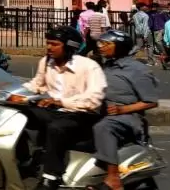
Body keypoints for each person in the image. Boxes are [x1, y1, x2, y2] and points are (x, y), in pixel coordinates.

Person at [19, 25, 106, 190]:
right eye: (48, 43)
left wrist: (61, 102)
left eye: (54, 44)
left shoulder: (88, 66)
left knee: (56, 128)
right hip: (55, 112)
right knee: (19, 115)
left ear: (69, 47)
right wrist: (14, 92)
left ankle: (51, 176)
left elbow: (95, 100)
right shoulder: (46, 62)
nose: (49, 47)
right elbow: (36, 85)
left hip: (83, 115)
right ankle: (24, 160)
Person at [94, 29, 159, 190]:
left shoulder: (137, 69)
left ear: (120, 47)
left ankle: (113, 177)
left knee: (103, 127)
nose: (101, 46)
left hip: (129, 117)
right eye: (100, 43)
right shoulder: (106, 66)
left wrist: (123, 110)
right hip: (106, 113)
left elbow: (150, 101)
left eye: (106, 44)